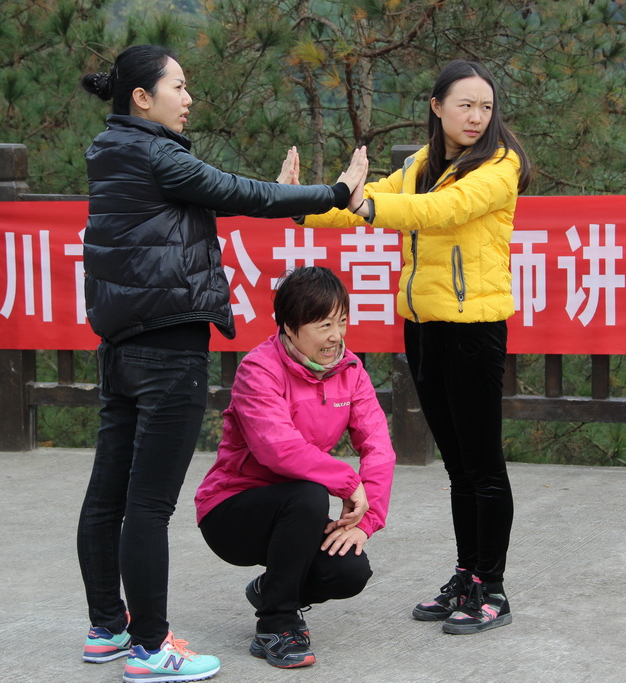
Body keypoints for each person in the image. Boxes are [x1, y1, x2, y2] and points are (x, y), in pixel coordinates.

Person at [76, 45, 368, 683]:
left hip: (121, 347)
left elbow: (215, 197)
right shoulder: (157, 154)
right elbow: (237, 191)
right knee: (148, 505)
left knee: (107, 496)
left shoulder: (111, 151)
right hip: (169, 350)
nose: (188, 99)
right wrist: (335, 193)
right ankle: (150, 648)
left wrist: (285, 192)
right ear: (142, 98)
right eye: (178, 86)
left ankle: (107, 629)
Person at [297, 59, 532, 635]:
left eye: (485, 106)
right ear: (437, 106)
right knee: (457, 464)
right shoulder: (421, 165)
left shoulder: (500, 165)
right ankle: (466, 575)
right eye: (465, 105)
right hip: (425, 327)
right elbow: (362, 203)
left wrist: (366, 204)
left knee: (482, 465)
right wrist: (298, 202)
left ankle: (492, 589)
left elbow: (439, 212)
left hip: (474, 329)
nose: (476, 117)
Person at [194, 265, 395, 669]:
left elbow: (378, 447)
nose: (336, 336)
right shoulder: (259, 369)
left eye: (341, 321)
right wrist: (345, 481)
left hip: (297, 512)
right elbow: (277, 449)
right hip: (232, 510)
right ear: (289, 326)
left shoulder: (351, 371)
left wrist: (366, 521)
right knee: (309, 494)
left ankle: (271, 589)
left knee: (350, 570)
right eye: (324, 325)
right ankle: (276, 624)